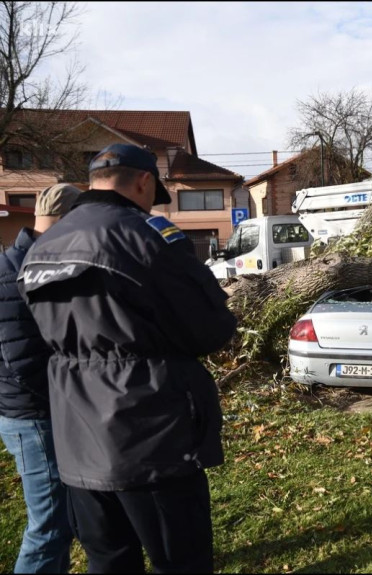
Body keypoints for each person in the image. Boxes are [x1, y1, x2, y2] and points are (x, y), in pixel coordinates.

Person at [18, 143, 238, 573]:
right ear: (143, 182)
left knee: (108, 560)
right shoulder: (146, 235)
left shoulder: (42, 247)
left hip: (77, 437)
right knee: (180, 561)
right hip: (150, 434)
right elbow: (211, 327)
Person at [0, 184, 81, 573]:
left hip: (38, 412)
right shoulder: (14, 273)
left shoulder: (40, 262)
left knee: (59, 521)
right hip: (33, 417)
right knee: (49, 526)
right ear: (67, 221)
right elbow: (22, 360)